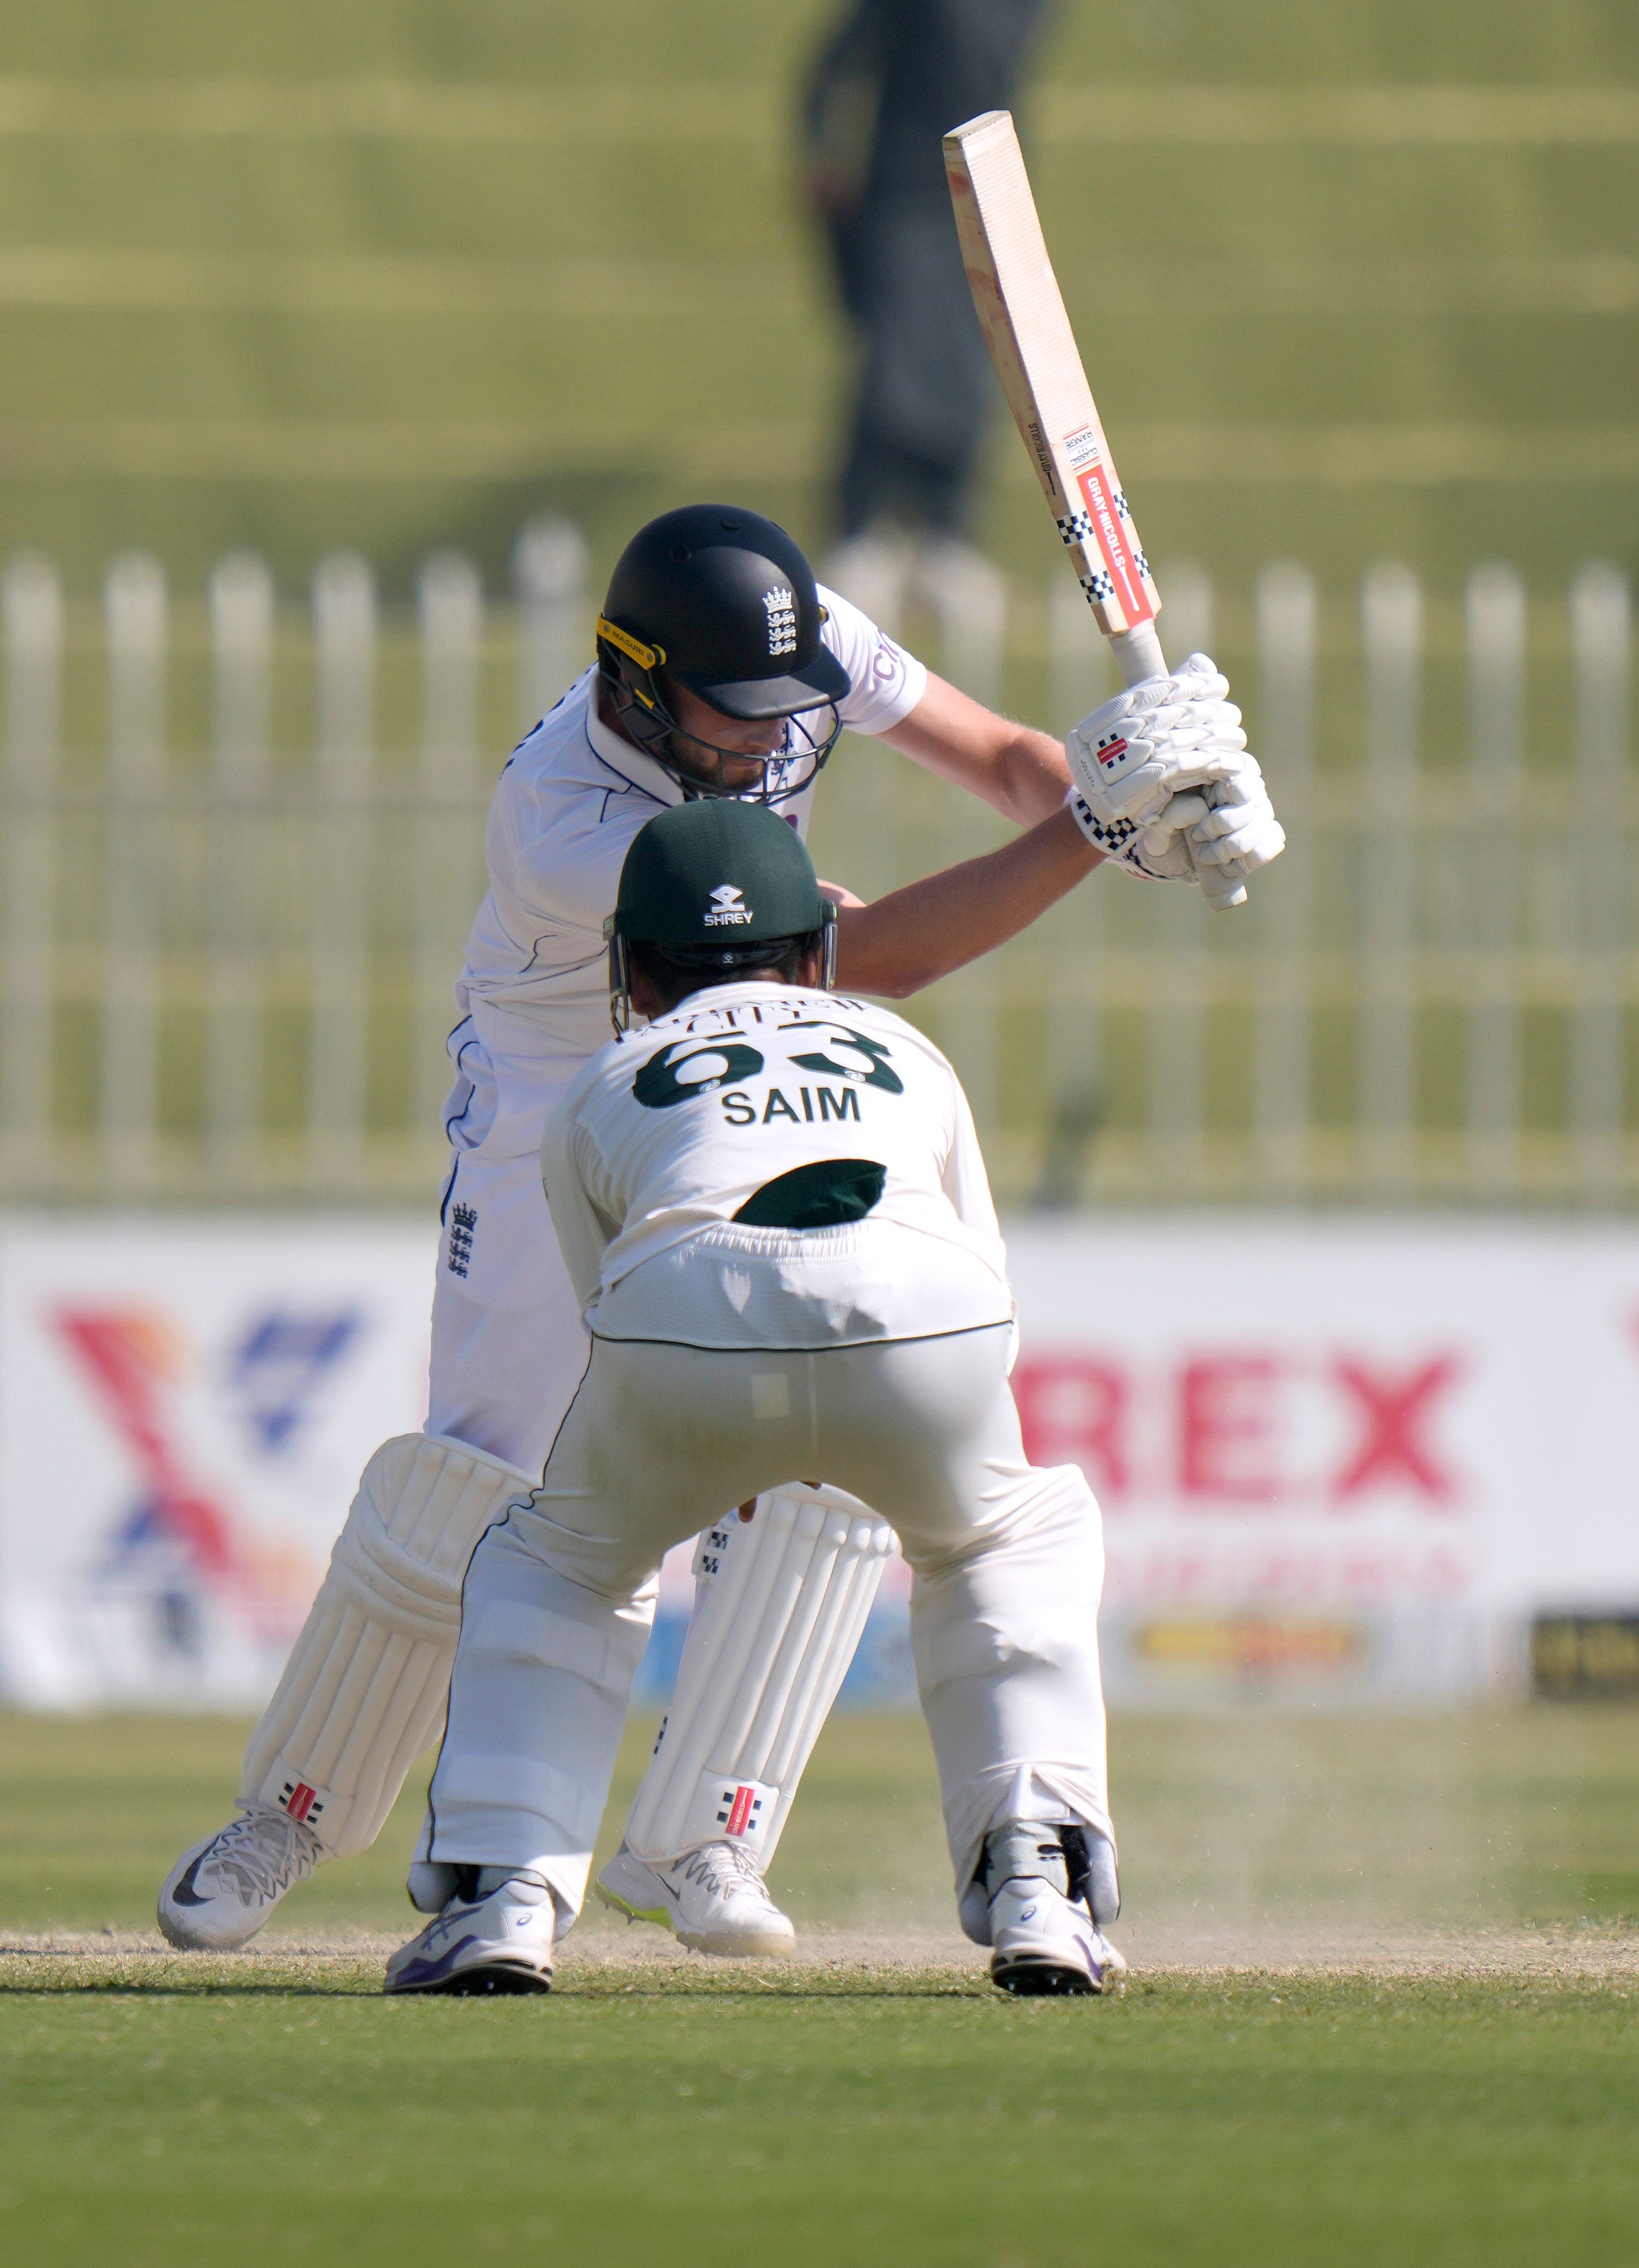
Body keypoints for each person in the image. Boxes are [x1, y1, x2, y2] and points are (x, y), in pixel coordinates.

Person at [158, 502, 1274, 1957]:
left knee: (810, 1470)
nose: (767, 742)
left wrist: (1158, 811)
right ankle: (290, 1817)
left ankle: (705, 1840)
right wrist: (1096, 823)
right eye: (727, 719)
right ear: (632, 680)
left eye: (782, 713)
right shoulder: (567, 820)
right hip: (561, 1108)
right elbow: (868, 956)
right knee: (480, 1490)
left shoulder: (800, 644)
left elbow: (1007, 765)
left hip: (765, 1082)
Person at [387, 797, 1118, 1995]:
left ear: (632, 968)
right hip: (924, 1312)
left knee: (557, 1560)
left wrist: (732, 1431)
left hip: (685, 1313)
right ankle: (1037, 1880)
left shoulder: (601, 1079)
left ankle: (507, 1898)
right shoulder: (908, 1055)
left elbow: (607, 1310)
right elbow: (984, 1288)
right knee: (1004, 1535)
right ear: (815, 947)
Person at [801, 0, 1052, 616]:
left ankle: (948, 532)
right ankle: (862, 531)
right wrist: (822, 148)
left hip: (989, 188)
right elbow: (839, 62)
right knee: (893, 361)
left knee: (974, 361)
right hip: (903, 186)